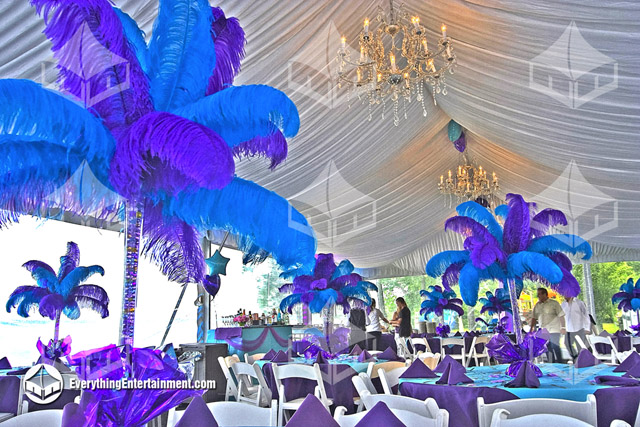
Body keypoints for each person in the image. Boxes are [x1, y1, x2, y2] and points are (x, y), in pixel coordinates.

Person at [530, 288, 566, 363]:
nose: (538, 296)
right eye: (538, 294)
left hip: (554, 329)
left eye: (539, 294)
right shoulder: (537, 305)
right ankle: (551, 364)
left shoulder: (554, 303)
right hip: (543, 330)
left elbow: (561, 316)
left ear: (545, 294)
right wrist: (531, 328)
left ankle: (560, 364)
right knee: (547, 348)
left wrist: (563, 327)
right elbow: (534, 317)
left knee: (555, 347)